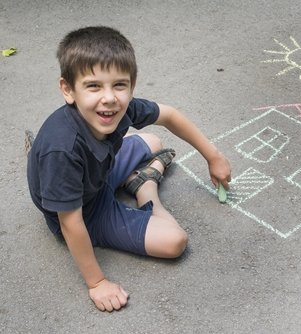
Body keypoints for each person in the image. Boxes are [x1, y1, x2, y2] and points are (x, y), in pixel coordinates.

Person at [26, 26, 231, 312]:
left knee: (153, 139)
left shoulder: (119, 109)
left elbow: (169, 115)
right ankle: (146, 187)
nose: (109, 98)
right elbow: (70, 224)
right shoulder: (62, 150)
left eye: (119, 85)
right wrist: (97, 283)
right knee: (175, 241)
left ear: (131, 86)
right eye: (93, 86)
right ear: (68, 90)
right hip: (86, 210)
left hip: (100, 170)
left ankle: (136, 178)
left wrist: (214, 156)